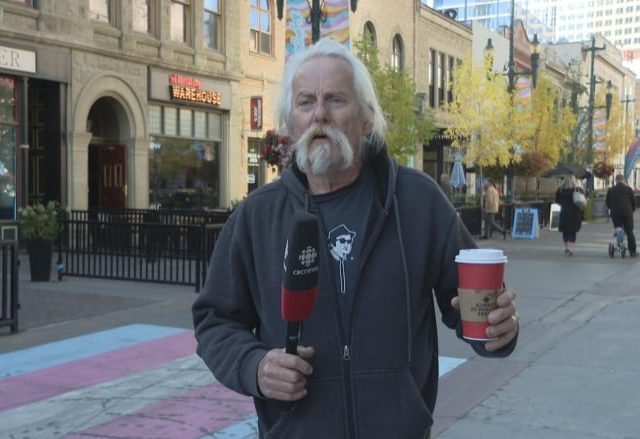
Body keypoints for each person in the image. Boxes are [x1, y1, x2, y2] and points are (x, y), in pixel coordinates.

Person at [192, 38, 519, 439]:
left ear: (366, 118)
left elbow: (473, 310)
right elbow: (215, 321)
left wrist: (499, 330)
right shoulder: (256, 217)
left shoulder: (417, 201)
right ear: (291, 122)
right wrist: (254, 367)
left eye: (336, 100)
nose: (320, 115)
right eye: (306, 102)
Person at [606, 174, 636, 257]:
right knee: (629, 231)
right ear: (623, 180)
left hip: (615, 213)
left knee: (619, 230)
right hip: (627, 212)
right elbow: (633, 202)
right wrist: (631, 210)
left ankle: (619, 247)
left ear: (616, 180)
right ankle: (632, 251)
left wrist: (611, 209)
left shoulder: (611, 190)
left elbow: (607, 202)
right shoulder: (628, 190)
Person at [554, 174, 584, 256]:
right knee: (572, 231)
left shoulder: (560, 190)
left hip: (564, 212)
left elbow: (557, 200)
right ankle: (570, 248)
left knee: (565, 231)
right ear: (574, 180)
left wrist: (564, 204)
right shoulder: (577, 189)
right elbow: (582, 200)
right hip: (575, 213)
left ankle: (567, 247)